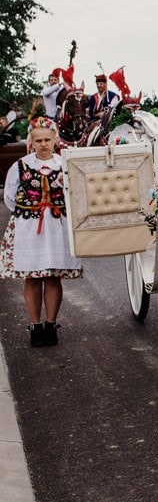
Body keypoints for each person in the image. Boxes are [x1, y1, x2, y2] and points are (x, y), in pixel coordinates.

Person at [1, 117, 83, 347]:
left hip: (57, 228)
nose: (43, 144)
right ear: (32, 142)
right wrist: (32, 212)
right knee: (32, 276)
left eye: (47, 139)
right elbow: (10, 197)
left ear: (55, 139)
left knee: (53, 275)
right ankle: (35, 326)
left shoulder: (64, 164)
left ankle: (51, 324)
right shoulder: (20, 166)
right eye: (38, 140)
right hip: (30, 228)